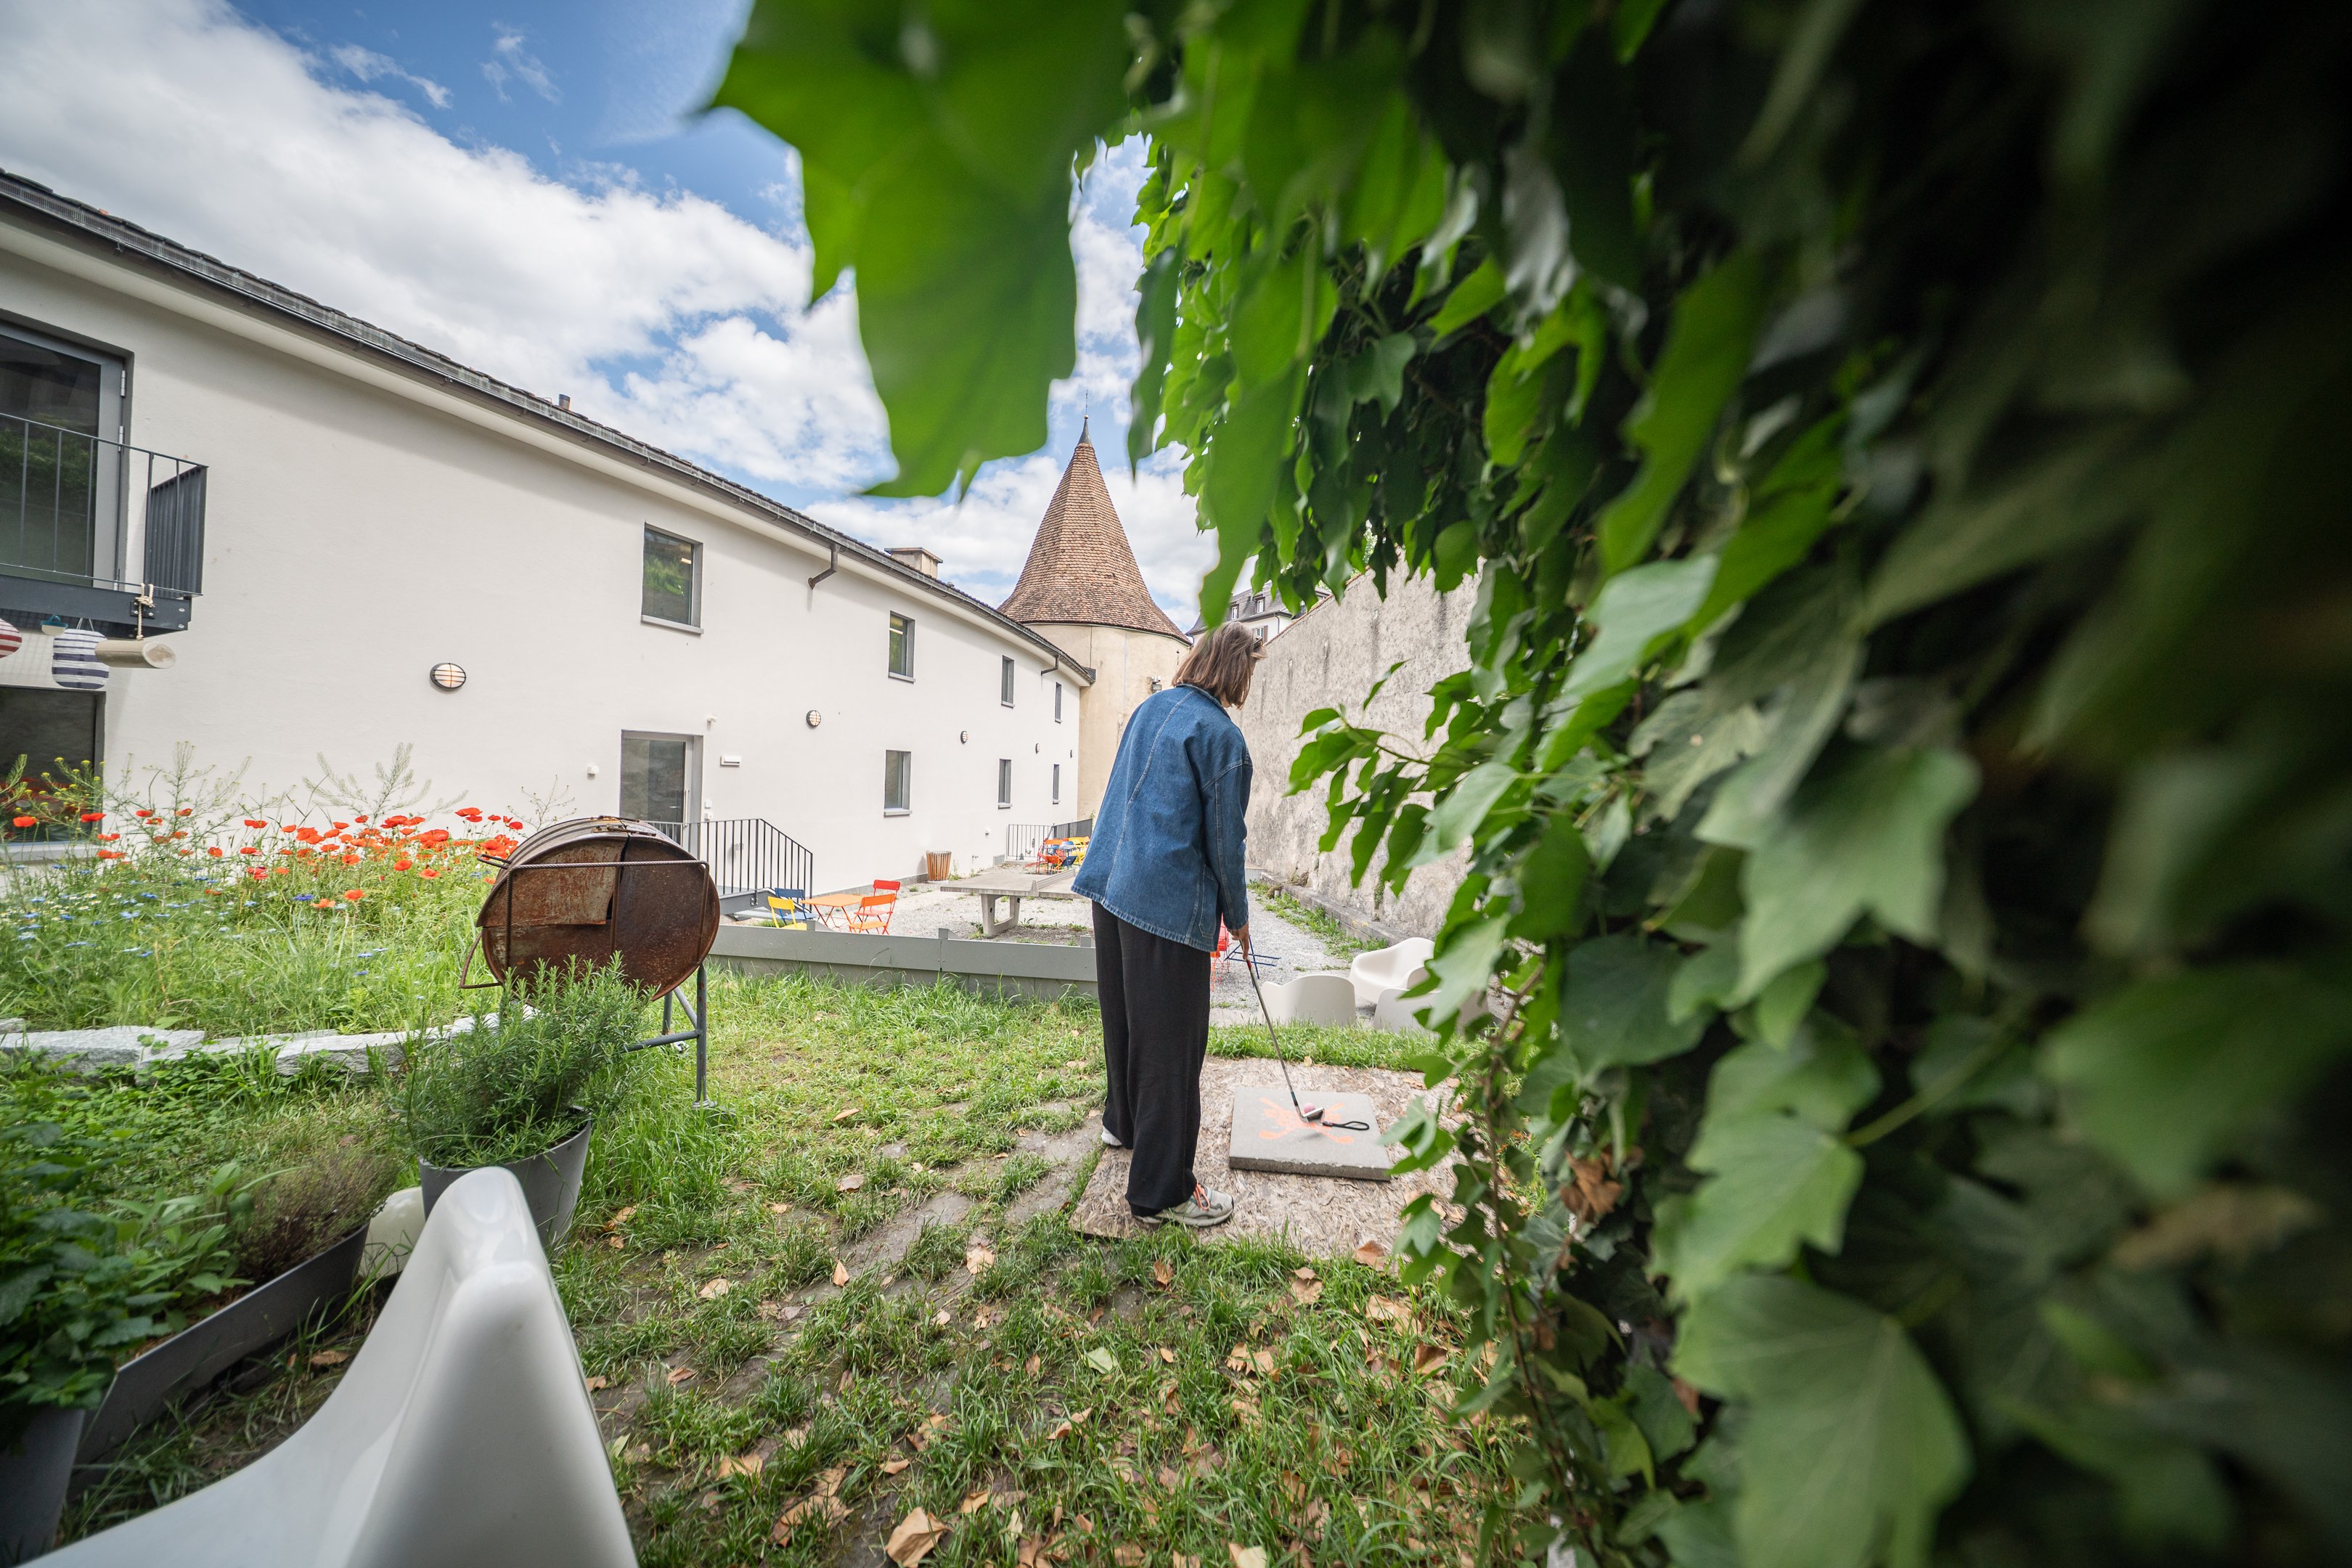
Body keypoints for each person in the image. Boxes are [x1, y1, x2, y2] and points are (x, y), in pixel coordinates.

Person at [1072, 621, 1264, 1228]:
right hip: (1163, 903)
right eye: (1250, 670)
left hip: (1110, 885)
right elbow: (1225, 844)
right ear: (1235, 669)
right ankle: (1163, 1191)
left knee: (1127, 1021)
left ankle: (1122, 1125)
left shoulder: (1150, 707)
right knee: (1173, 1048)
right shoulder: (1222, 739)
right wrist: (1238, 917)